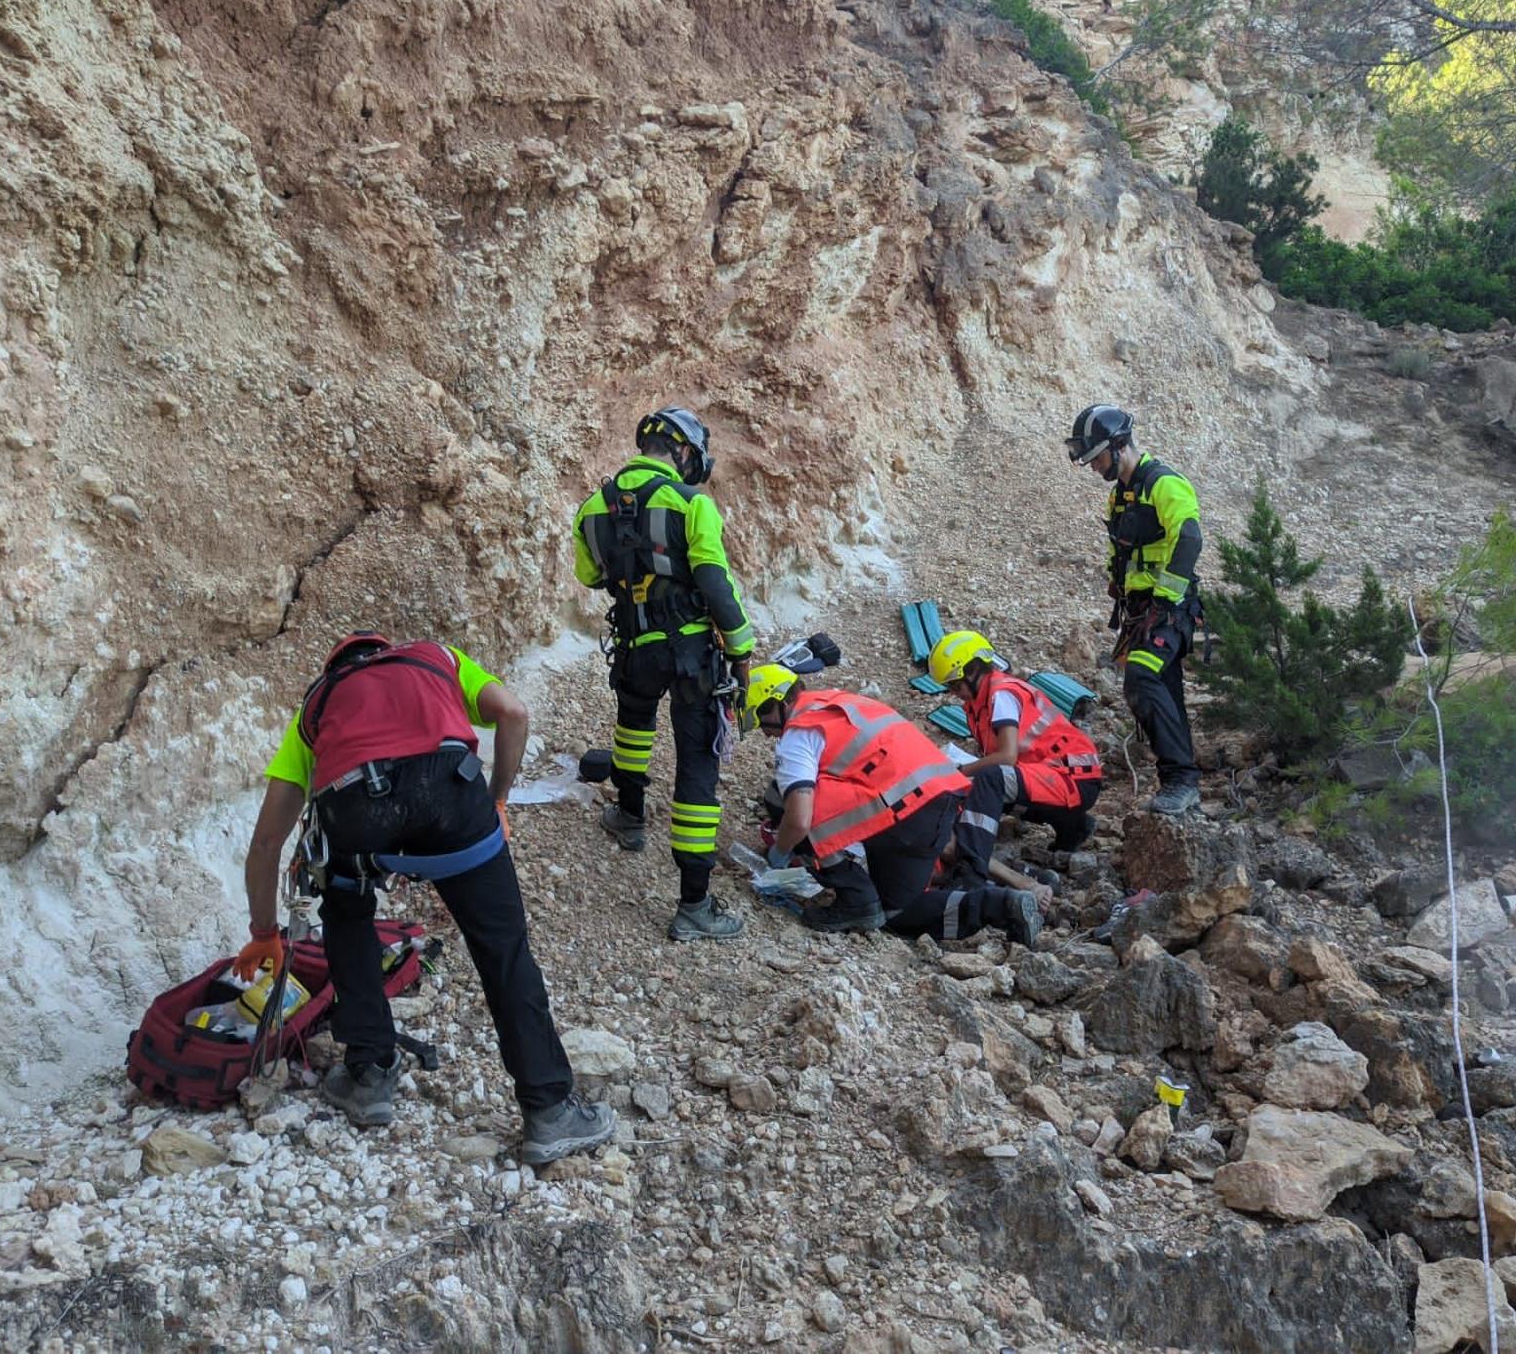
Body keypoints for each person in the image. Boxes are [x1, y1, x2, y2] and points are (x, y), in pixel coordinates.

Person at [235, 631, 613, 1162]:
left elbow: (267, 842)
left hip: (358, 812)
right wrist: (498, 800)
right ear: (387, 650)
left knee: (346, 905)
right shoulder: (438, 659)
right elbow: (514, 714)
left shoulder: (319, 703)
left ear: (338, 667)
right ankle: (548, 1110)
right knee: (502, 948)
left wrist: (263, 933)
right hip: (450, 797)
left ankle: (369, 1075)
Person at [574, 408, 757, 942]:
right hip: (691, 651)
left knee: (633, 730)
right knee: (697, 764)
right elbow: (714, 580)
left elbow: (589, 575)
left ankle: (629, 817)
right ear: (683, 453)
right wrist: (741, 650)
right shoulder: (691, 502)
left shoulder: (591, 507)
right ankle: (694, 906)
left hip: (634, 646)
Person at [741, 665, 1042, 945]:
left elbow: (799, 819)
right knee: (900, 909)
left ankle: (855, 898)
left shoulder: (799, 734)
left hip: (904, 814)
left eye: (761, 721)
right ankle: (1004, 904)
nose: (766, 733)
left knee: (782, 797)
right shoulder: (839, 701)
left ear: (776, 704)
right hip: (940, 799)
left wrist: (778, 854)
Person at [1065, 404, 1203, 816]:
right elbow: (1120, 552)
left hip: (1169, 607)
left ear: (1118, 446)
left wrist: (1166, 597)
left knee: (1141, 678)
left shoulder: (1164, 484)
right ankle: (1184, 783)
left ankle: (1180, 780)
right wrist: (1119, 585)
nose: (1094, 467)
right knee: (1167, 692)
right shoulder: (1119, 498)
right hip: (1140, 609)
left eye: (1098, 458)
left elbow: (1189, 539)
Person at [927, 629, 1104, 852]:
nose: (954, 693)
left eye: (955, 686)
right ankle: (1073, 826)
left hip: (1074, 779)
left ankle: (974, 860)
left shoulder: (1000, 695)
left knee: (991, 780)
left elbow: (1006, 757)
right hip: (1068, 776)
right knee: (995, 781)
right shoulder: (982, 703)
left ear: (972, 671)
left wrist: (962, 771)